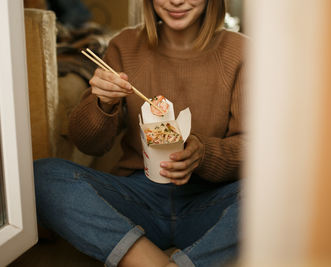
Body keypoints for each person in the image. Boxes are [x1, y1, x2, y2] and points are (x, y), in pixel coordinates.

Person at [34, 0, 246, 266]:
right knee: (39, 175)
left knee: (284, 187)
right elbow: (88, 144)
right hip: (138, 199)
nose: (176, 1)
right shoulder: (125, 46)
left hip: (209, 200)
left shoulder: (241, 51)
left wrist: (202, 154)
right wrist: (103, 103)